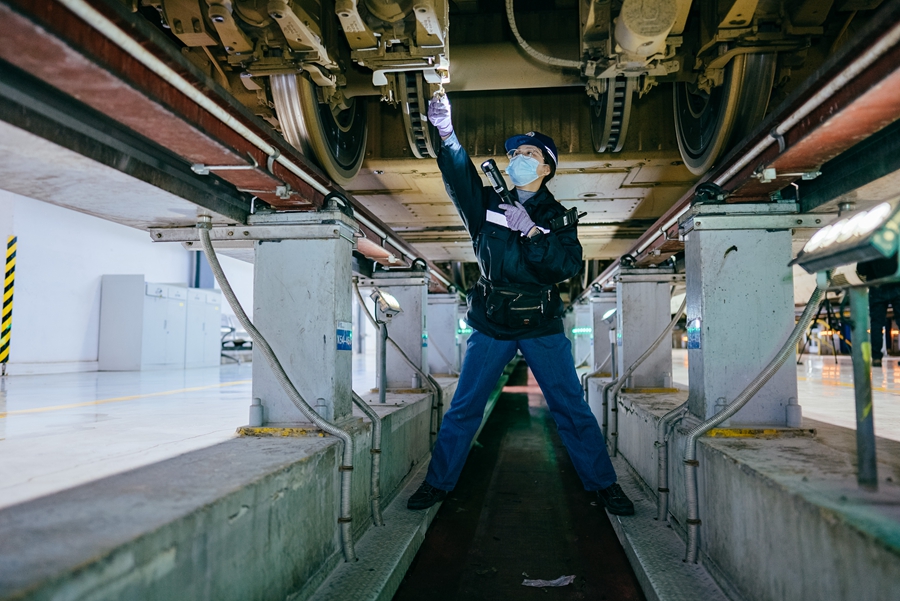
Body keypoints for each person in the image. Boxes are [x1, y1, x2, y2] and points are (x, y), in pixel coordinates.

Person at [406, 93, 634, 516]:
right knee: (464, 408)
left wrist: (532, 231)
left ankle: (604, 484)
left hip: (540, 324)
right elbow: (459, 179)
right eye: (514, 154)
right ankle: (437, 483)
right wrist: (448, 135)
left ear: (546, 168)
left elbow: (565, 266)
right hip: (491, 321)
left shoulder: (558, 217)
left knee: (571, 408)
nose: (518, 159)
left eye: (529, 154)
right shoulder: (487, 204)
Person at [857, 254, 900, 367]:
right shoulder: (895, 245)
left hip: (876, 287)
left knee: (876, 324)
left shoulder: (869, 248)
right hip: (897, 284)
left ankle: (876, 358)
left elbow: (861, 269)